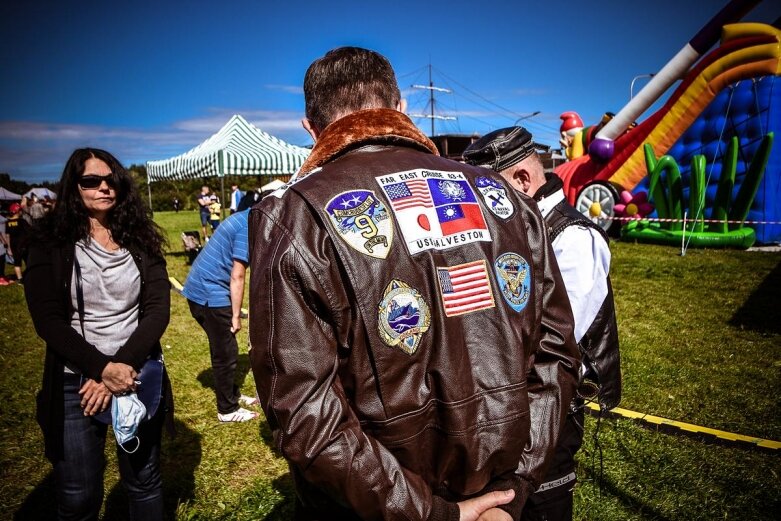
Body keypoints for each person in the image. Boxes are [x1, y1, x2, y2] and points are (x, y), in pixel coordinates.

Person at [248, 47, 579, 520]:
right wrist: (514, 487)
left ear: (309, 128)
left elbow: (303, 413)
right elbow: (557, 353)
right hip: (498, 496)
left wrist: (429, 513)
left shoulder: (293, 217)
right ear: (400, 108)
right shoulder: (504, 195)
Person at [464, 126, 621, 521]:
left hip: (554, 406)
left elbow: (553, 340)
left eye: (487, 192)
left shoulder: (575, 239)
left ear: (521, 180)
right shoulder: (515, 227)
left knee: (542, 506)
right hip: (510, 400)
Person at [24, 147, 172, 520]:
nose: (104, 187)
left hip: (135, 374)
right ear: (74, 187)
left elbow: (157, 311)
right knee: (78, 495)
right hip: (76, 381)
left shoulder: (141, 239)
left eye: (111, 180)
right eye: (91, 181)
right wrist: (100, 369)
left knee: (144, 482)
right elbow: (48, 320)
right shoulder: (50, 244)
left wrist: (120, 368)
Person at [182, 208, 259, 423]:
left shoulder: (244, 216)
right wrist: (235, 316)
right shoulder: (247, 226)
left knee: (222, 348)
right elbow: (238, 275)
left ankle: (231, 393)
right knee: (226, 352)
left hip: (200, 290)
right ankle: (227, 409)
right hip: (209, 294)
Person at [6, 202, 30, 282]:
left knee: (17, 263)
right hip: (23, 245)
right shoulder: (22, 221)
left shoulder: (8, 222)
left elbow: (7, 236)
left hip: (14, 246)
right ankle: (30, 275)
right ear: (18, 211)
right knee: (28, 261)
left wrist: (9, 248)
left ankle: (20, 279)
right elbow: (29, 232)